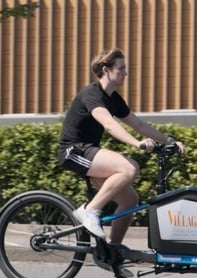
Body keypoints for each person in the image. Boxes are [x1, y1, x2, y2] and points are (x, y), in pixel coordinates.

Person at [57, 48, 185, 245]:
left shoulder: (114, 99)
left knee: (129, 201)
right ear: (106, 70)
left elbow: (139, 125)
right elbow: (109, 124)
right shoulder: (91, 94)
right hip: (73, 151)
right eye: (121, 68)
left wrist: (168, 141)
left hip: (89, 151)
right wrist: (137, 143)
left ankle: (113, 251)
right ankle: (90, 210)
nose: (126, 72)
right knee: (129, 167)